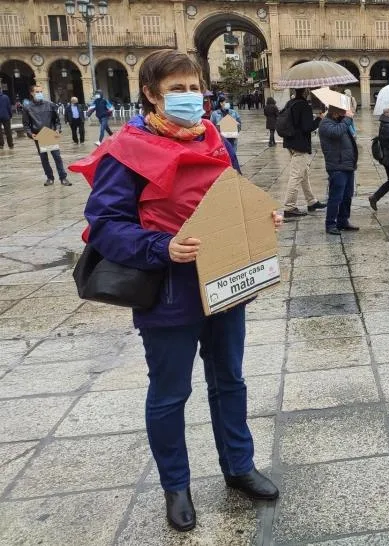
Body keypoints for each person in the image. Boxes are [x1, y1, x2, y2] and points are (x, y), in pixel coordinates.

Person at [72, 48, 281, 533]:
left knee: (230, 379)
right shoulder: (126, 151)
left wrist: (259, 217)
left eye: (194, 88)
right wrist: (162, 246)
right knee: (170, 393)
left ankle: (239, 465)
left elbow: (234, 192)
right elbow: (104, 225)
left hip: (224, 280)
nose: (190, 98)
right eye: (178, 90)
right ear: (150, 94)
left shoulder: (213, 138)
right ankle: (176, 485)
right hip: (168, 290)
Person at [281, 88, 327, 219]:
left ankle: (311, 201)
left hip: (290, 143)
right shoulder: (304, 105)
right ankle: (289, 207)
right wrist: (319, 119)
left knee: (303, 173)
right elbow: (308, 127)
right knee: (296, 175)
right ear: (306, 92)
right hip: (300, 144)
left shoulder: (290, 103)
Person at [319, 104, 359, 235]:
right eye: (342, 112)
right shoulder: (326, 123)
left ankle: (343, 221)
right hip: (337, 165)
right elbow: (336, 133)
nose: (344, 114)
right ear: (335, 112)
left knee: (347, 195)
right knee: (336, 196)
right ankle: (330, 224)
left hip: (347, 165)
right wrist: (347, 119)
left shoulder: (339, 122)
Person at [22, 85, 70, 186]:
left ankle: (63, 178)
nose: (39, 94)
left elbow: (56, 120)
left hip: (49, 133)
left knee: (57, 157)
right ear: (32, 93)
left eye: (40, 91)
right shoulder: (27, 107)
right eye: (37, 92)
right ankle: (49, 178)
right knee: (44, 158)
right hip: (38, 134)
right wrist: (31, 134)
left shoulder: (50, 105)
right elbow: (26, 124)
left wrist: (58, 129)